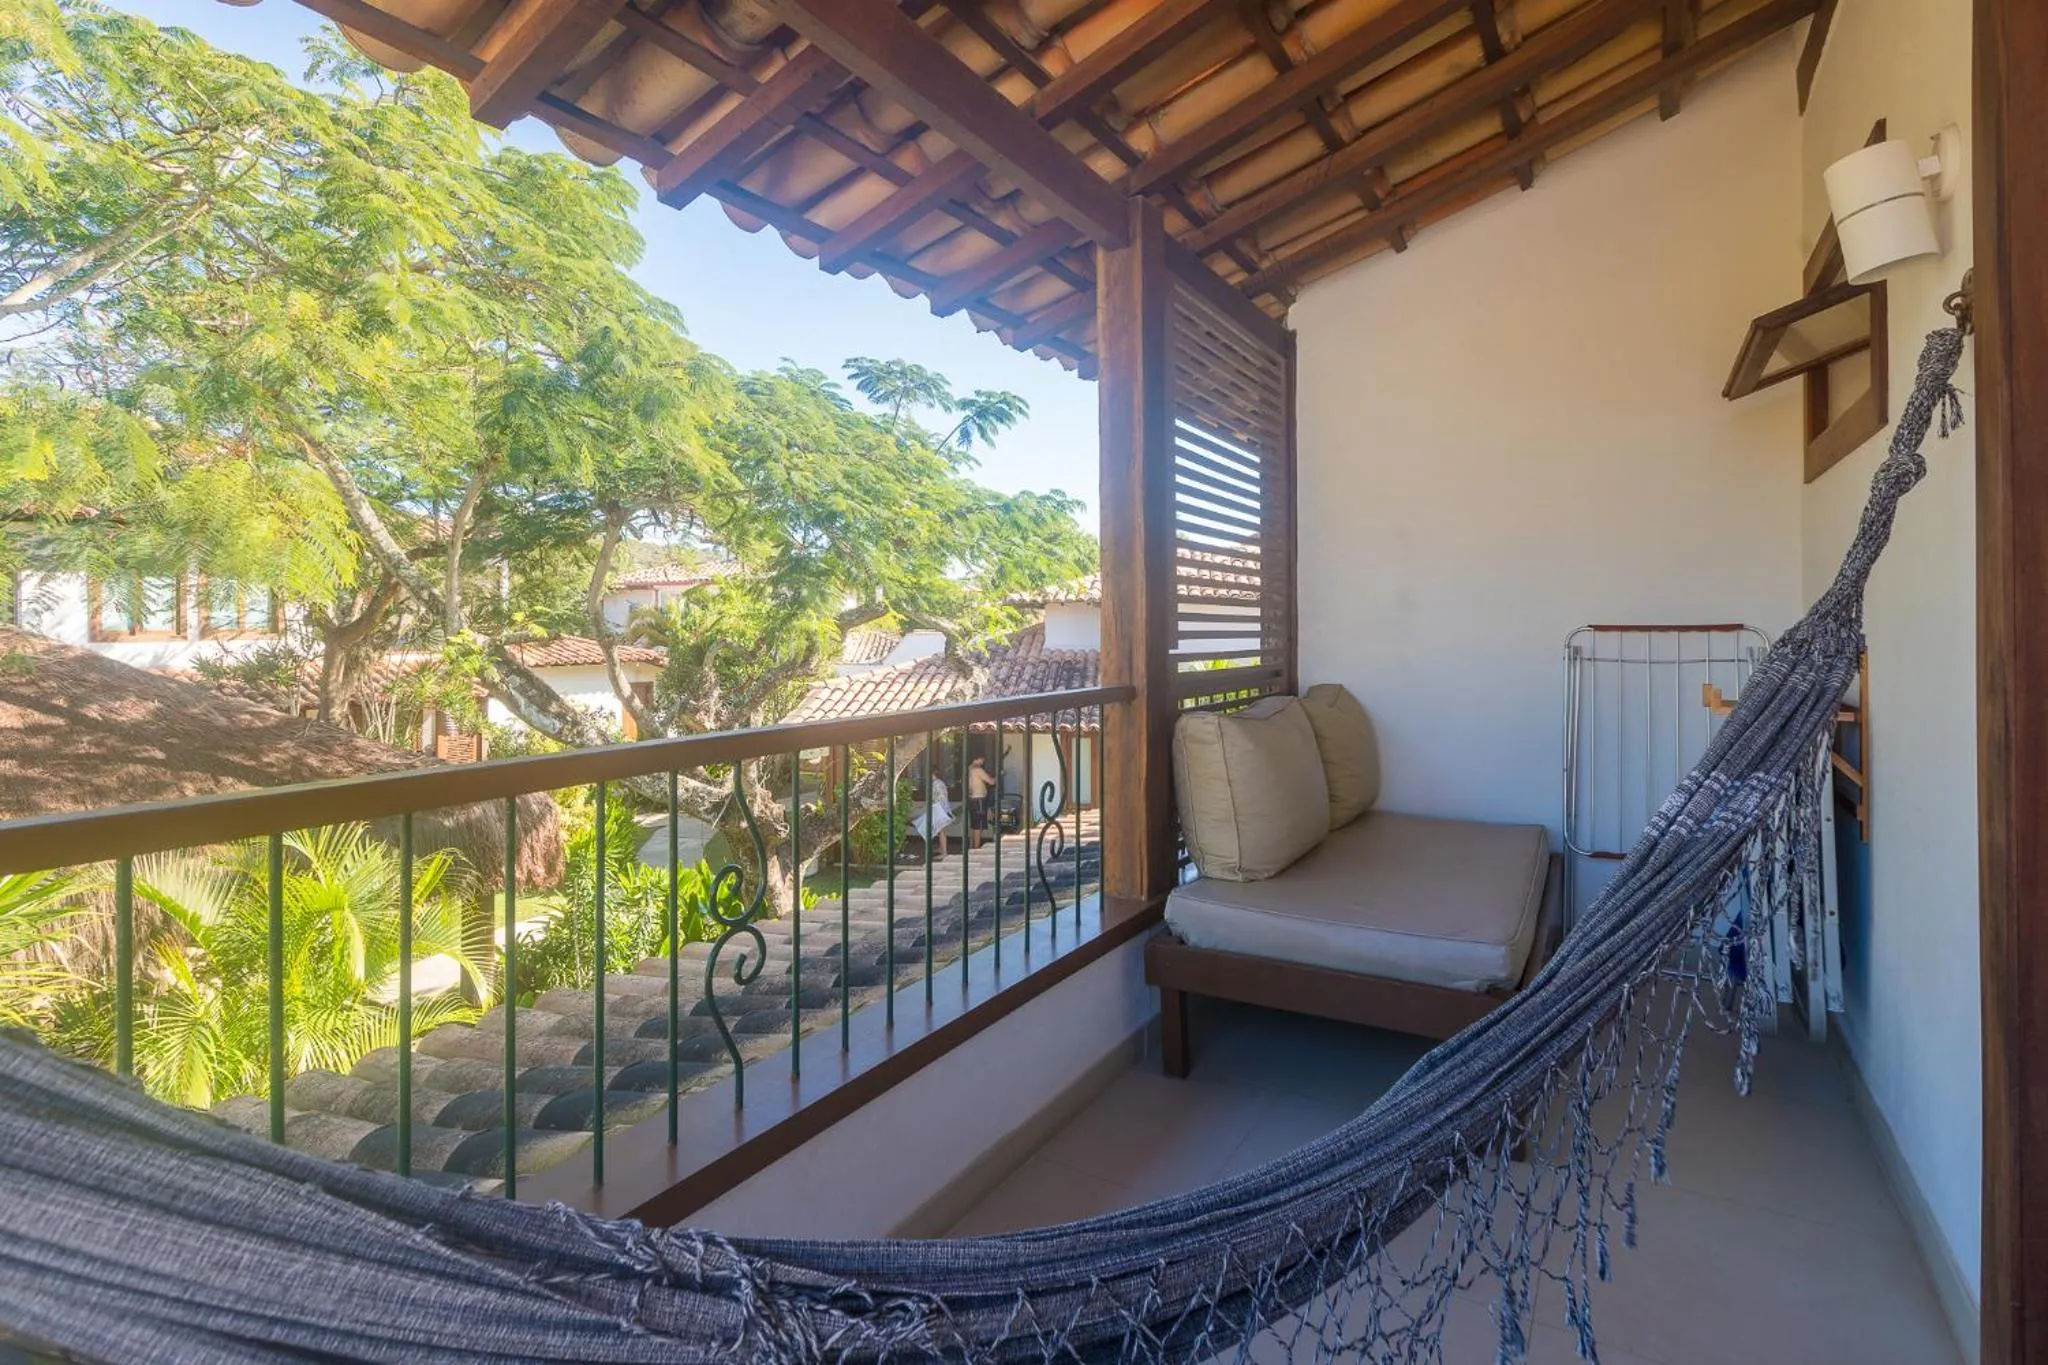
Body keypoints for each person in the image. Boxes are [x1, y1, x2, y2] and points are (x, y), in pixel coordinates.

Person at [912, 770, 955, 862]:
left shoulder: (935, 784)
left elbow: (936, 798)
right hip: (942, 809)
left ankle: (944, 853)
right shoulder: (940, 783)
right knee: (940, 830)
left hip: (939, 809)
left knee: (940, 830)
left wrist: (925, 805)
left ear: (933, 774)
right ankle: (941, 849)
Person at [967, 755, 998, 849]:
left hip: (972, 799)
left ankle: (972, 847)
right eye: (981, 760)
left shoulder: (969, 769)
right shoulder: (978, 770)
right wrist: (999, 775)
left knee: (974, 825)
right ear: (976, 759)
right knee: (978, 826)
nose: (982, 762)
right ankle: (976, 848)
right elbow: (991, 782)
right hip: (979, 800)